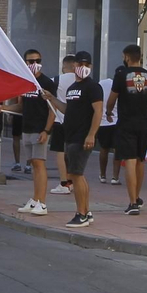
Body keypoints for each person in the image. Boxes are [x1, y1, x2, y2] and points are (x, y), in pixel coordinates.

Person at [106, 45, 147, 217]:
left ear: (126, 57)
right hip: (144, 124)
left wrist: (109, 111)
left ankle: (132, 202)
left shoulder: (121, 75)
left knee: (130, 161)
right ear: (140, 57)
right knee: (140, 161)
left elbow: (112, 99)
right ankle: (137, 197)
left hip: (126, 124)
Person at [61, 51, 104, 228]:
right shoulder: (72, 88)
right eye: (80, 65)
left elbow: (98, 112)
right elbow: (67, 109)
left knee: (76, 175)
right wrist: (52, 99)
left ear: (91, 67)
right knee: (76, 174)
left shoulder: (93, 87)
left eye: (86, 65)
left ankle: (82, 213)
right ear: (74, 66)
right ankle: (86, 210)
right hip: (70, 136)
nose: (83, 68)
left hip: (82, 137)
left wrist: (91, 134)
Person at [17, 49, 59, 216]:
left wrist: (46, 130)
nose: (34, 64)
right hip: (27, 127)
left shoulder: (47, 82)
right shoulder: (25, 81)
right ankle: (35, 199)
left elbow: (52, 109)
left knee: (40, 163)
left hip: (40, 128)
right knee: (33, 164)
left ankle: (42, 202)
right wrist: (3, 107)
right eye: (30, 61)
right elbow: (21, 106)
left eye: (37, 60)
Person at [49, 55, 77, 198]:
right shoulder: (81, 81)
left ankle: (64, 182)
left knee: (60, 152)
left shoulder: (56, 80)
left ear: (64, 66)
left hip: (60, 121)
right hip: (77, 122)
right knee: (73, 153)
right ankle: (74, 181)